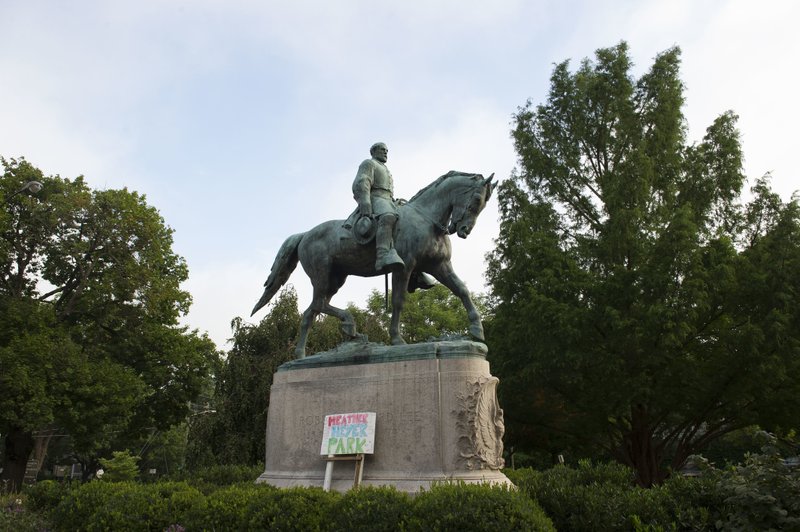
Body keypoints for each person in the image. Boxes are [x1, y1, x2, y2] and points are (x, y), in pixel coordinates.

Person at [352, 142, 405, 272]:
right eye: (382, 150)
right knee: (388, 217)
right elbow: (362, 181)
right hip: (376, 198)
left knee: (409, 221)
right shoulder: (369, 164)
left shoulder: (385, 169)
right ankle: (382, 255)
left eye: (387, 150)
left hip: (388, 200)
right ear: (373, 151)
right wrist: (365, 201)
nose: (386, 152)